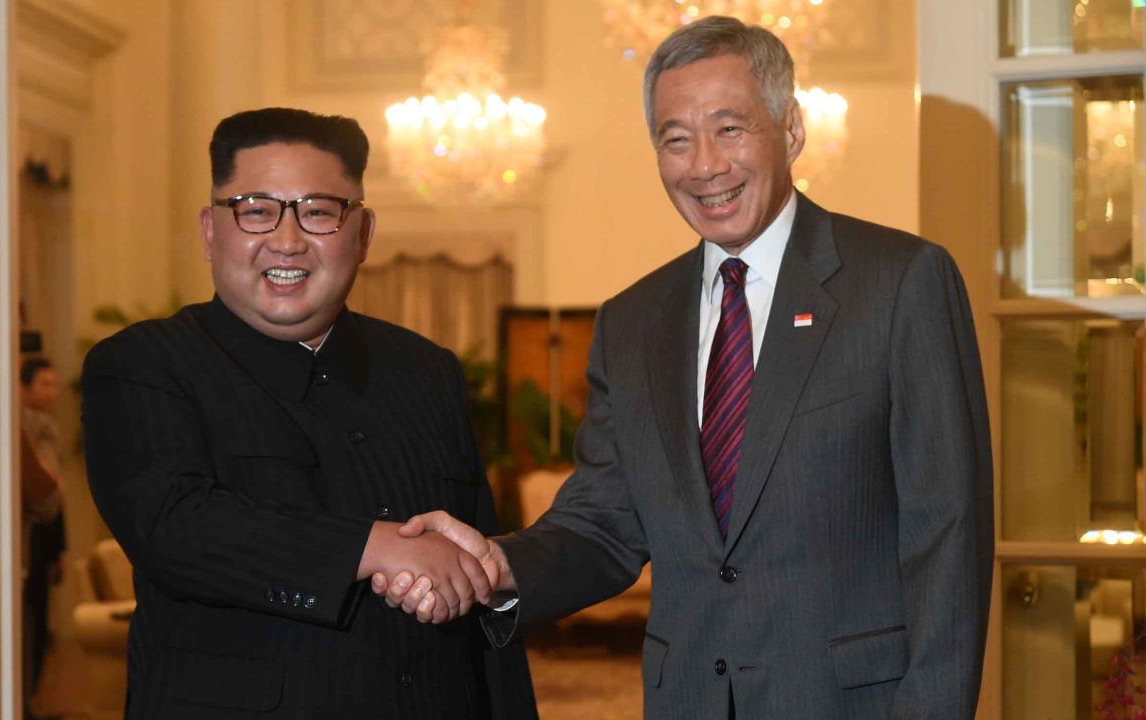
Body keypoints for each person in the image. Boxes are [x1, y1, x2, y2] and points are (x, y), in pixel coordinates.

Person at [376, 16, 994, 720]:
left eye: (729, 129)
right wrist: (497, 563)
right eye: (676, 139)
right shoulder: (632, 321)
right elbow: (604, 523)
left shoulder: (900, 283)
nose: (703, 165)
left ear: (790, 130)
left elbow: (948, 536)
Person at [81, 107, 536, 718]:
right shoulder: (145, 364)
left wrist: (471, 583)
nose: (287, 240)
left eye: (319, 212)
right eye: (255, 209)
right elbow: (176, 527)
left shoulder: (428, 372)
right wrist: (378, 548)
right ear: (211, 231)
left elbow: (477, 557)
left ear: (364, 233)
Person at [20, 356, 66, 720]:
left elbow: (55, 500)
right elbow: (50, 496)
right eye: (45, 384)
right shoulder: (27, 424)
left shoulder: (43, 426)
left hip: (36, 537)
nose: (53, 392)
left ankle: (27, 702)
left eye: (55, 384)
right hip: (25, 537)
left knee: (34, 618)